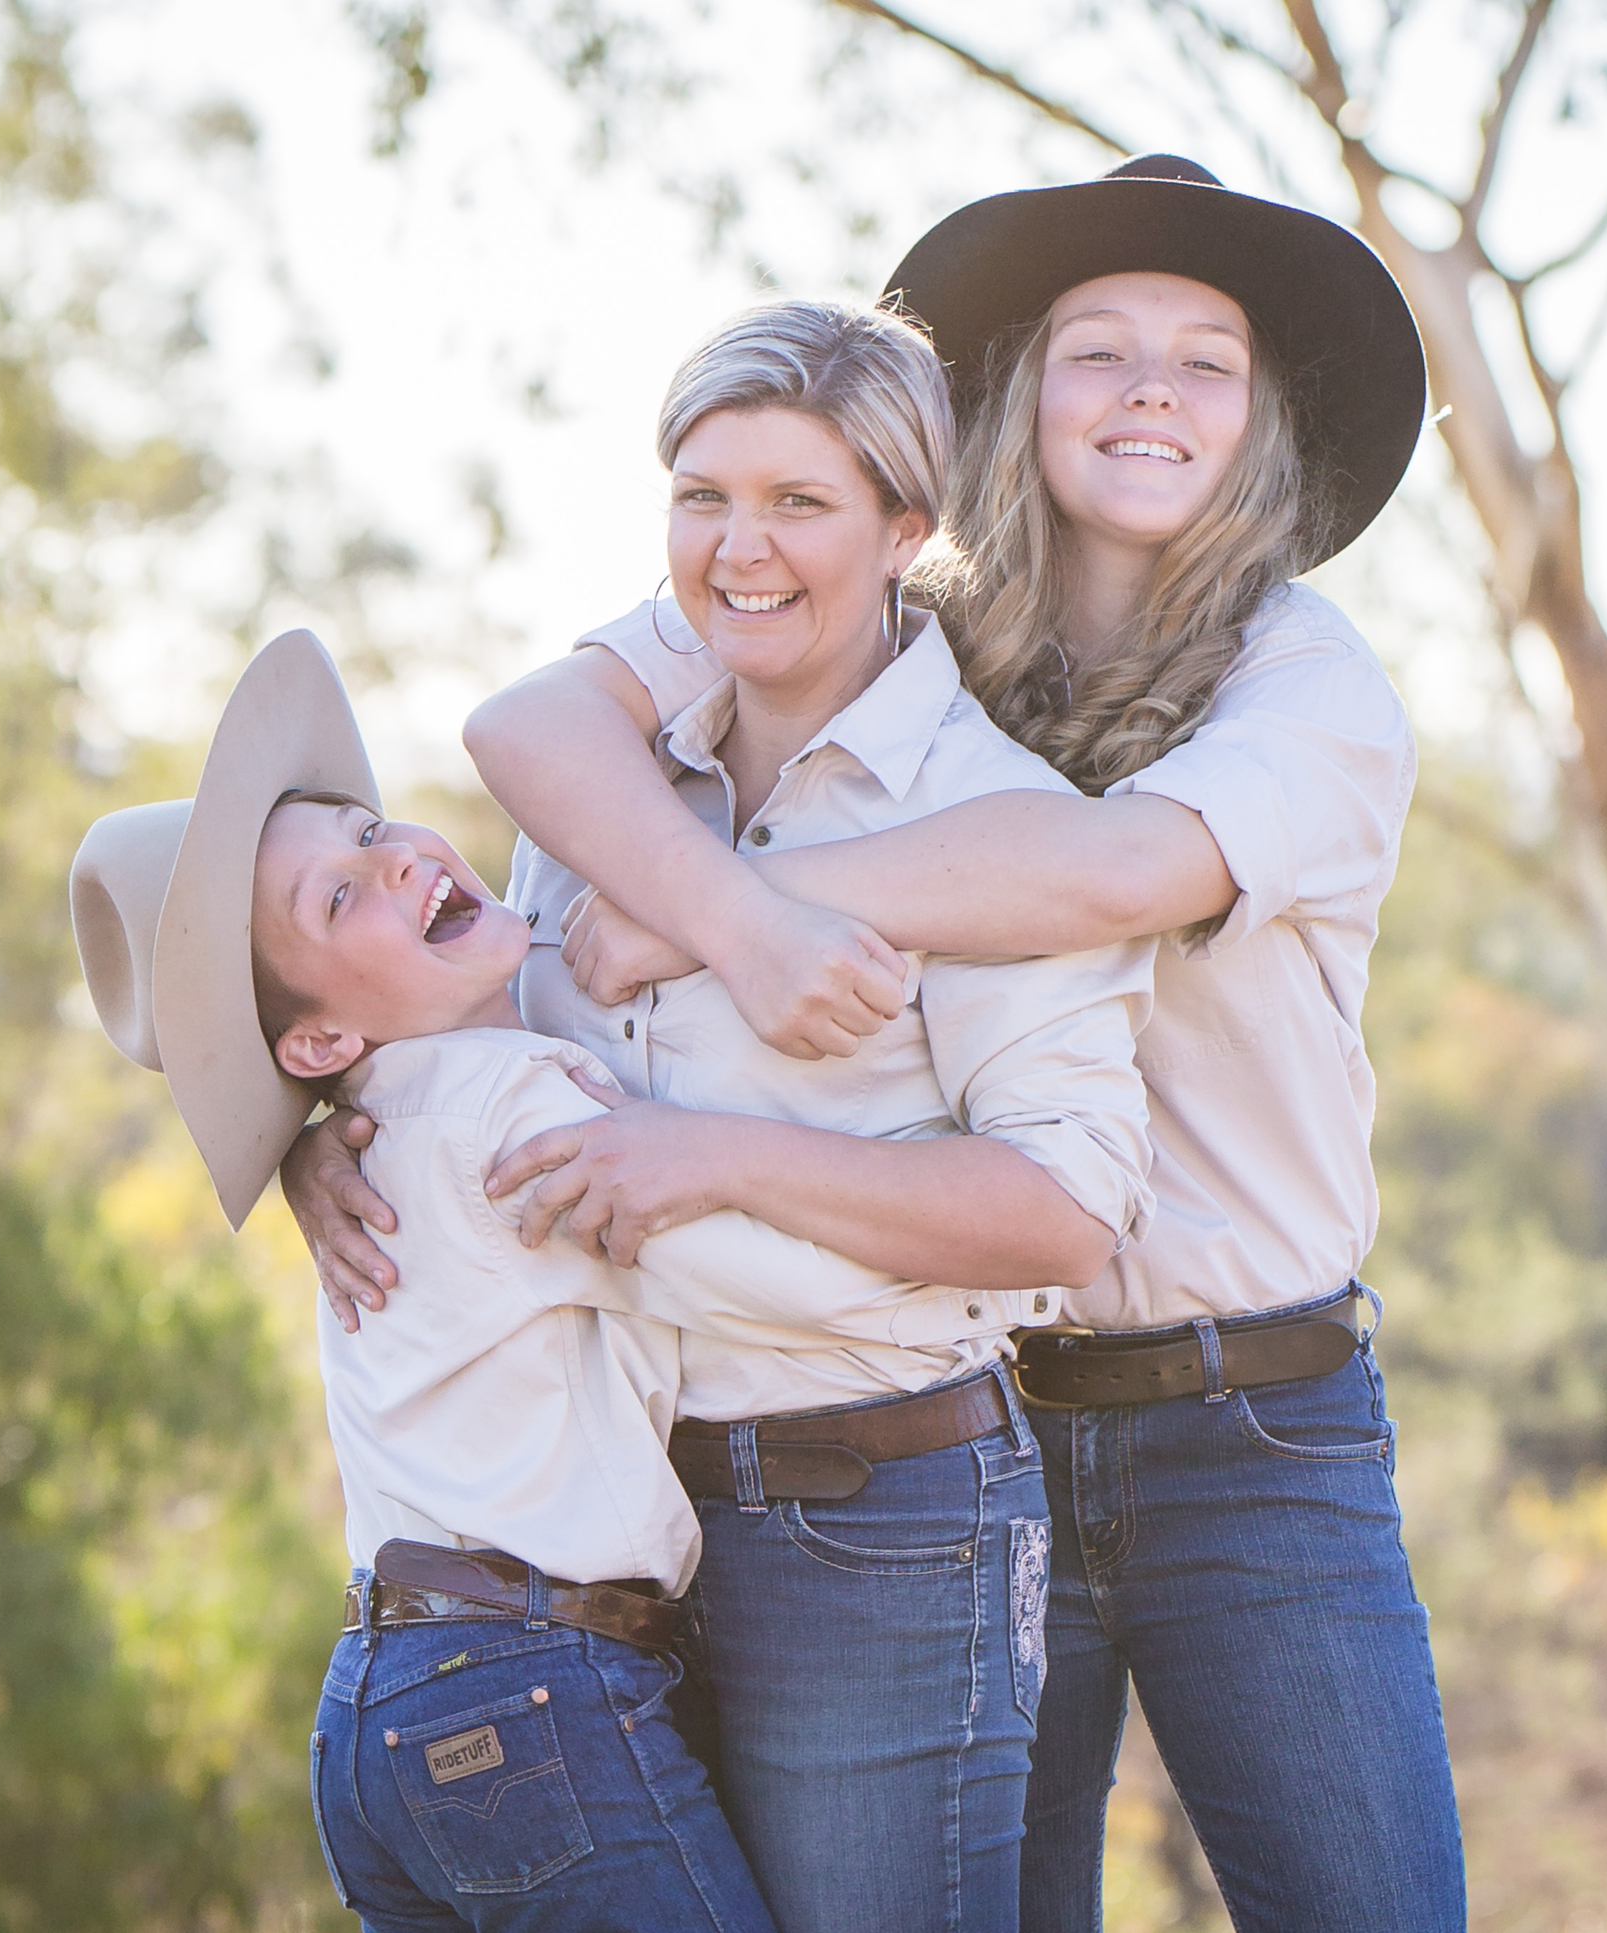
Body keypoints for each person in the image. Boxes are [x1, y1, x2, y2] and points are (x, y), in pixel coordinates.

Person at [431, 159, 1465, 1930]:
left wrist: (718, 905)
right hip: (956, 1435)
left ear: (1263, 419)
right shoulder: (897, 631)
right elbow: (536, 725)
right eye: (1097, 349)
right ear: (1004, 396)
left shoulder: (1306, 683)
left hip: (1246, 1423)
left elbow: (1117, 867)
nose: (1149, 388)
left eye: (1203, 360)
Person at [286, 299, 1160, 1933]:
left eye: (799, 504)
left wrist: (722, 1156)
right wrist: (316, 1139)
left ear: (909, 527)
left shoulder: (996, 830)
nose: (740, 551)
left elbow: (1061, 1215)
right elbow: (459, 1043)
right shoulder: (606, 789)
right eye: (704, 497)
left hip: (876, 1528)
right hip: (605, 1571)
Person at [71, 630, 1003, 1931]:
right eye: (339, 900)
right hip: (525, 1696)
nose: (391, 859)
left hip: (384, 1711)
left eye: (364, 832)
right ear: (322, 1037)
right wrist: (1001, 1264)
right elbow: (754, 1290)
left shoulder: (390, 1119)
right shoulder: (514, 1110)